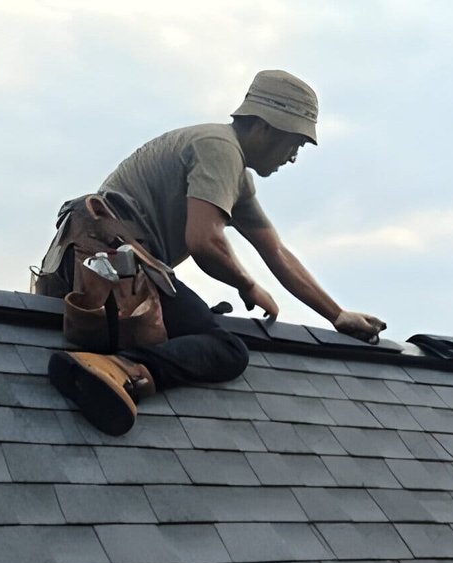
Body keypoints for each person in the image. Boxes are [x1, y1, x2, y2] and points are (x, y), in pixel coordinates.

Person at [34, 70, 386, 435]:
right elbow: (205, 242)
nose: (293, 157)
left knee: (198, 330)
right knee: (225, 348)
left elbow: (276, 251)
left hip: (106, 265)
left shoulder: (233, 171)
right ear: (266, 128)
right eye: (293, 143)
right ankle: (117, 371)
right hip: (112, 265)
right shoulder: (220, 149)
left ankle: (111, 367)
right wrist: (247, 285)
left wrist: (337, 315)